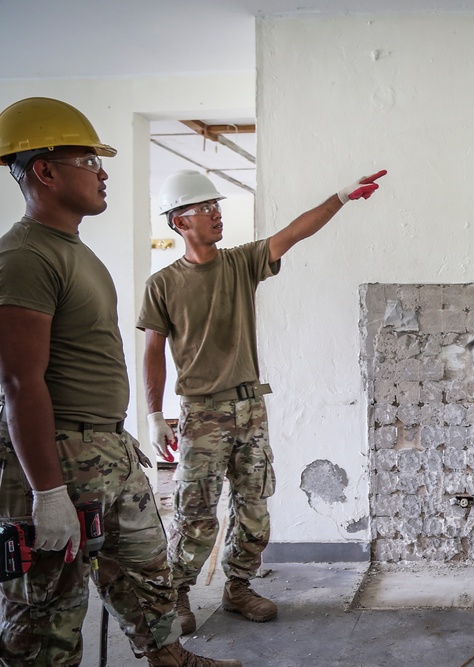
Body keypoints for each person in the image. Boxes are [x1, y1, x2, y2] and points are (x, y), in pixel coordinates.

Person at [0, 96, 240, 666]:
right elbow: (18, 380)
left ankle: (171, 658)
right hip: (58, 453)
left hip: (108, 446)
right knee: (49, 612)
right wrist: (48, 491)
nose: (103, 172)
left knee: (146, 573)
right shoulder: (26, 256)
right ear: (45, 170)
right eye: (89, 162)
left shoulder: (75, 251)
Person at [138, 166, 386, 635]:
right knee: (196, 511)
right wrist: (154, 415)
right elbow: (152, 352)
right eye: (204, 209)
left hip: (250, 408)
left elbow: (293, 233)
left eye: (217, 207)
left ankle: (238, 588)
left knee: (254, 506)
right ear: (179, 222)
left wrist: (340, 195)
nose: (215, 215)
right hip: (200, 413)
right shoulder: (163, 285)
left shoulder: (240, 263)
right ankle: (179, 595)